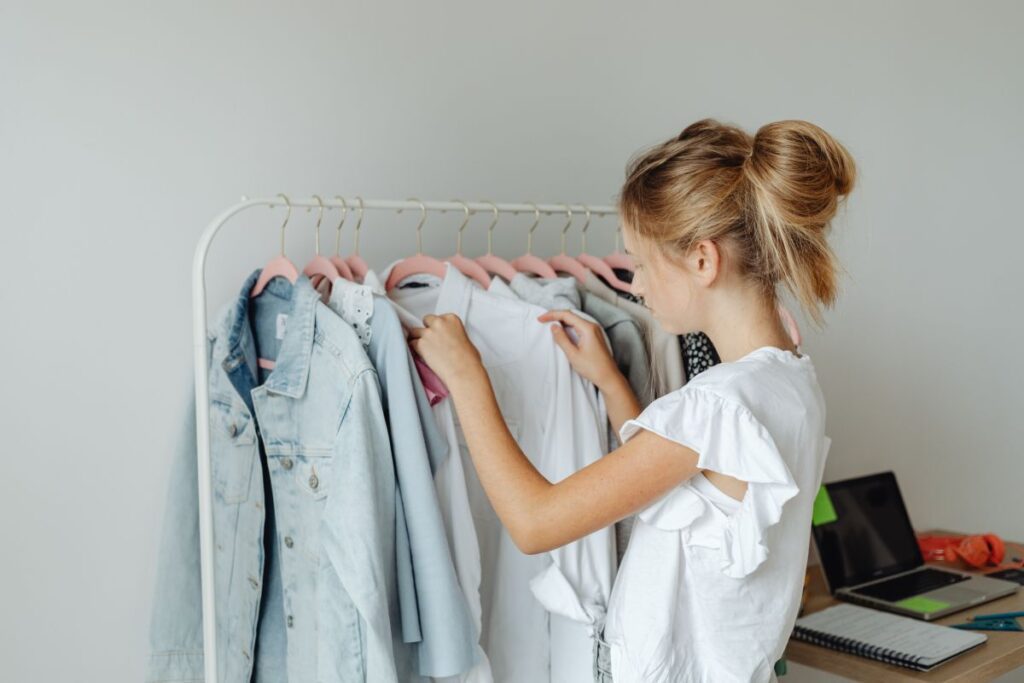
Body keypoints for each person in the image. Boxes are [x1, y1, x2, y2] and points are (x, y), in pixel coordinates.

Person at [408, 118, 855, 682]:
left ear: (702, 260)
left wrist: (468, 377)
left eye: (640, 263)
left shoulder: (718, 404)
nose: (634, 285)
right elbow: (680, 483)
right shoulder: (789, 378)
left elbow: (534, 523)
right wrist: (613, 384)